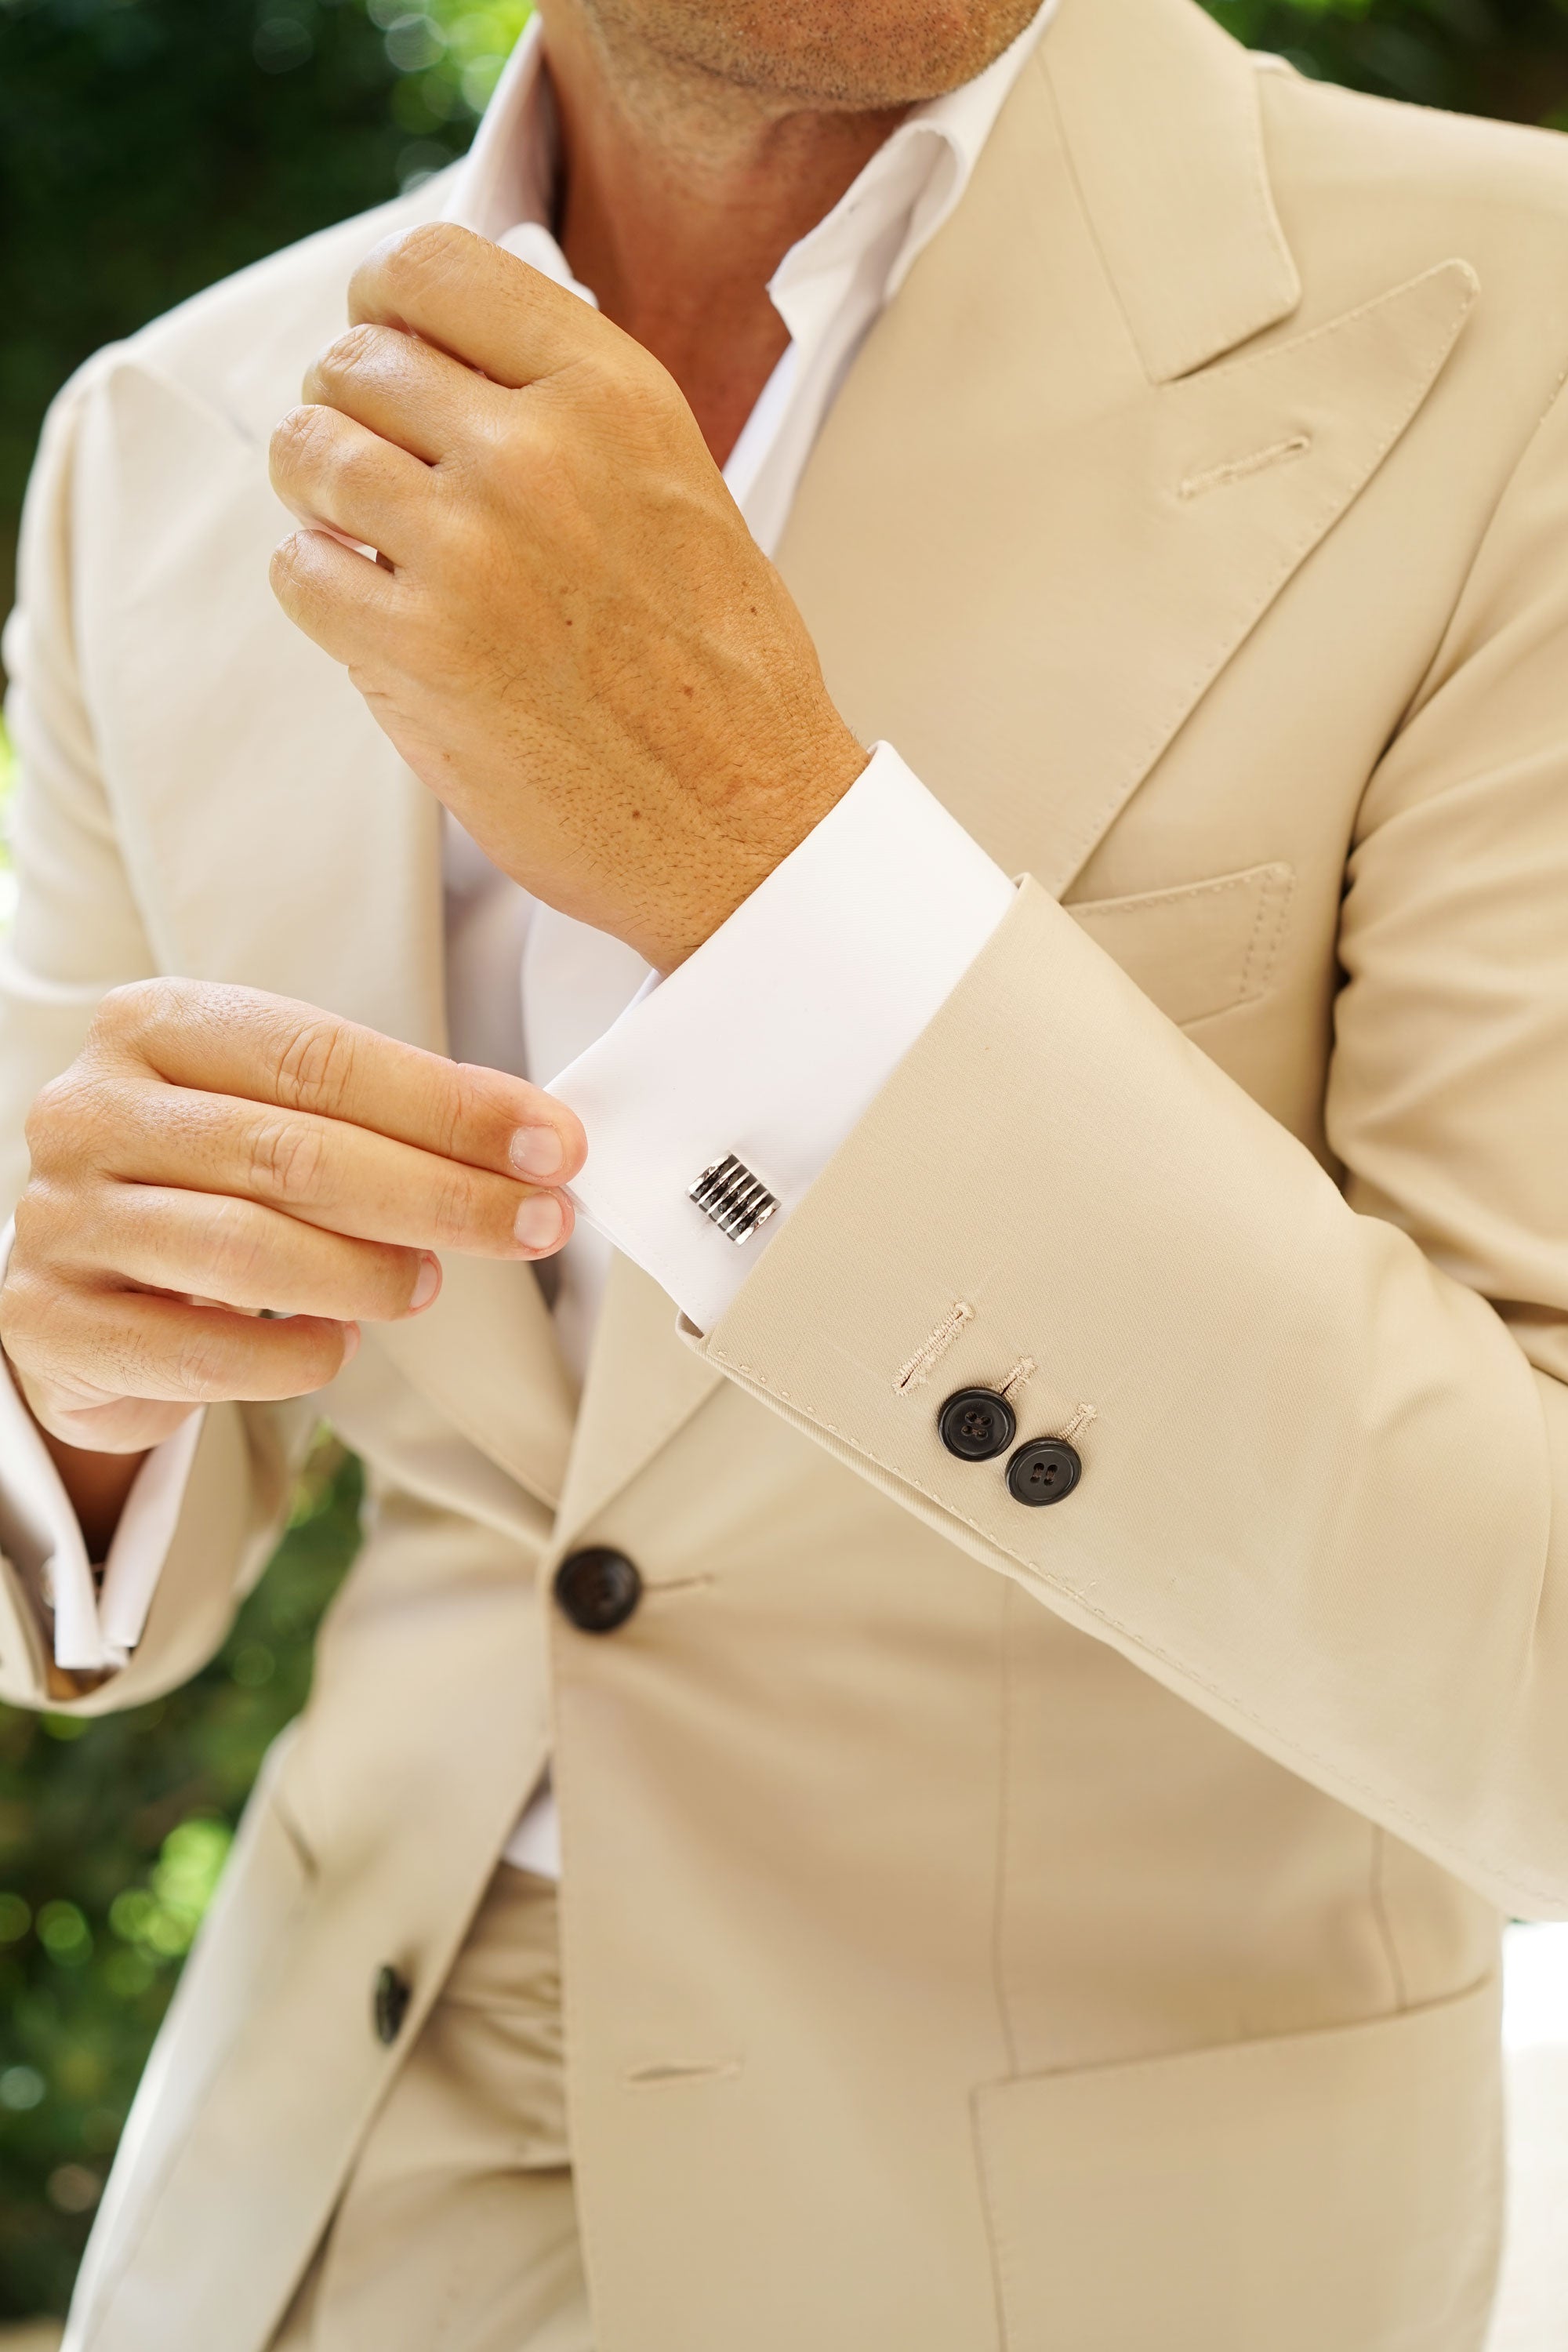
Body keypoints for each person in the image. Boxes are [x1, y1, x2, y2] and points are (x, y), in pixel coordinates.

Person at [2, 0, 1568, 2339]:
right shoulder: (162, 437)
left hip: (1108, 2263)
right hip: (300, 2216)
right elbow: (121, 1527)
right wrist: (70, 1384)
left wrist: (769, 880)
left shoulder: (1520, 331)